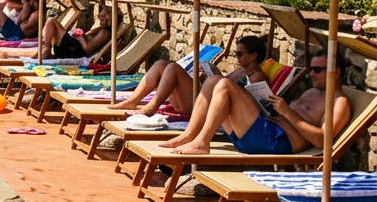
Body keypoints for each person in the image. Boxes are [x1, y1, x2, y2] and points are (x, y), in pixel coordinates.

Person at [161, 52, 351, 155]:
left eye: (317, 70)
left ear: (336, 72)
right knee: (213, 81)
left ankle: (202, 143)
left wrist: (286, 111)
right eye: (311, 69)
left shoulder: (338, 102)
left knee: (226, 86)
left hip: (275, 141)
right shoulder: (312, 91)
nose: (311, 74)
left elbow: (322, 141)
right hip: (264, 130)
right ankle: (189, 135)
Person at [113, 36, 270, 116]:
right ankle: (132, 101)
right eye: (236, 53)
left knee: (173, 68)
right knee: (162, 64)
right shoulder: (241, 71)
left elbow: (241, 102)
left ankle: (151, 108)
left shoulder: (257, 77)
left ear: (254, 55)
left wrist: (216, 80)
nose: (236, 57)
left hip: (206, 108)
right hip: (202, 99)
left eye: (239, 54)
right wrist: (212, 76)